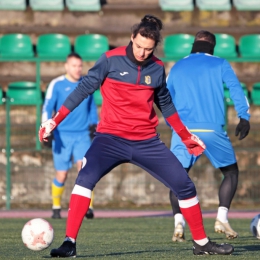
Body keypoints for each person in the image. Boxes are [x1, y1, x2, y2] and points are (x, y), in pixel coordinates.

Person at [39, 15, 234, 257]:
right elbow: (82, 90)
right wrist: (54, 121)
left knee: (185, 186)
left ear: (155, 48)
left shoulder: (158, 67)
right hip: (109, 139)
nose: (142, 52)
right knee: (84, 178)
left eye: (148, 49)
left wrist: (185, 136)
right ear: (132, 38)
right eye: (139, 45)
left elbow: (166, 105)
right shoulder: (110, 60)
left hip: (146, 142)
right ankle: (69, 243)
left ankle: (201, 243)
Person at [166, 30, 250, 242]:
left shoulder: (177, 66)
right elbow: (235, 89)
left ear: (194, 44)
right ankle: (221, 216)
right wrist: (244, 116)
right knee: (230, 173)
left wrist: (172, 126)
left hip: (184, 131)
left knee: (178, 179)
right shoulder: (220, 63)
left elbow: (164, 98)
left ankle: (178, 222)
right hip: (212, 129)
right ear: (212, 47)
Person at [42, 52, 98, 219]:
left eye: (80, 65)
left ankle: (88, 208)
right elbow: (47, 107)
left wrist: (94, 125)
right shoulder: (56, 84)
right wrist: (46, 128)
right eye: (74, 65)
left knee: (85, 171)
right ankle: (56, 207)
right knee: (62, 174)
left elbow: (92, 108)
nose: (78, 69)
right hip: (62, 136)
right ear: (66, 66)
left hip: (82, 136)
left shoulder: (86, 83)